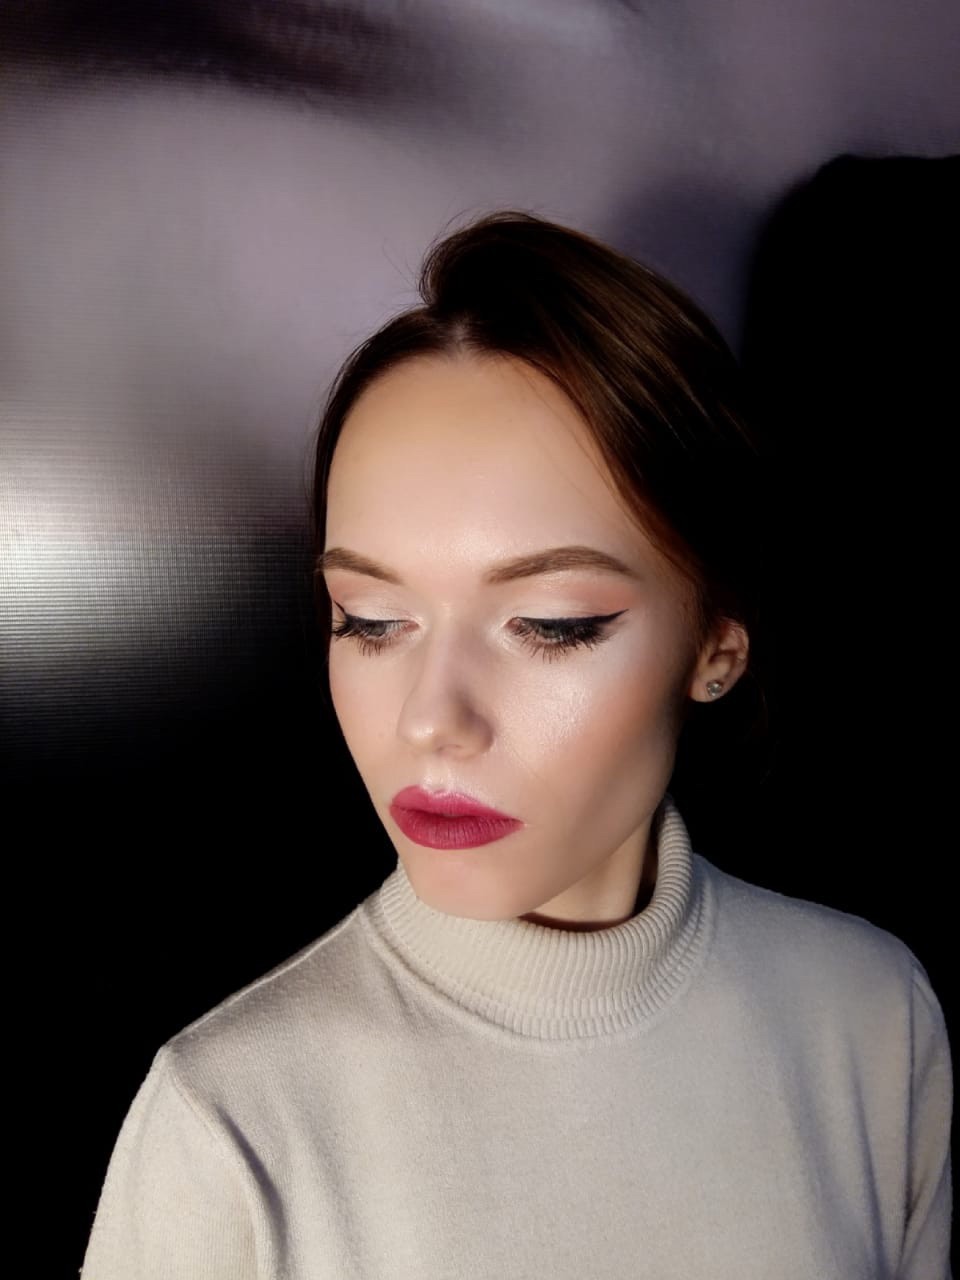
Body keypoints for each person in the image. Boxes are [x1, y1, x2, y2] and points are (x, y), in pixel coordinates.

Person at [79, 210, 953, 1278]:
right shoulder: (230, 1123)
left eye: (551, 624)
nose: (431, 719)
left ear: (716, 648)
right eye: (370, 619)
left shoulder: (871, 1017)